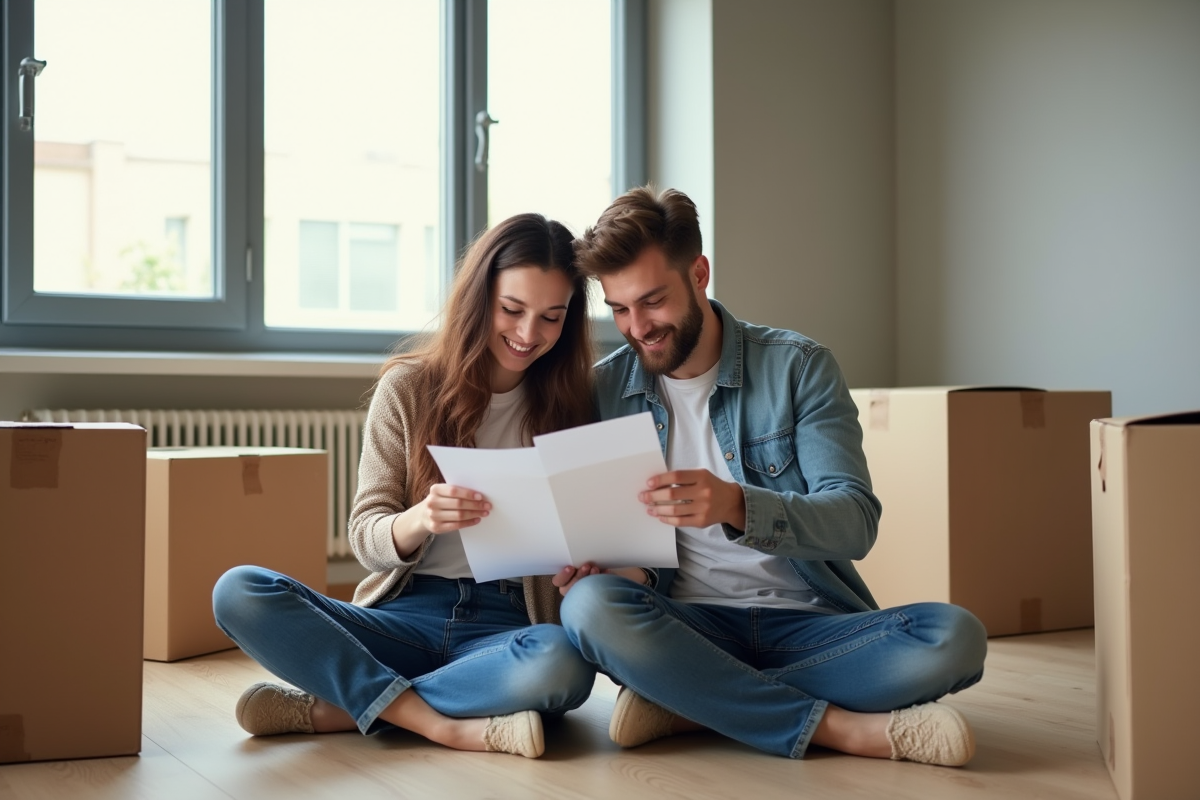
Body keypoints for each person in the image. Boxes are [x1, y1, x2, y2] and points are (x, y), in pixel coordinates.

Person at [554, 187, 988, 767]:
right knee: (588, 607)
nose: (638, 327)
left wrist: (737, 505)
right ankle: (840, 728)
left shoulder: (798, 367)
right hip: (687, 626)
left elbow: (855, 521)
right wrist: (599, 565)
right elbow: (619, 550)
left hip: (810, 626)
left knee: (955, 638)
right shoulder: (605, 390)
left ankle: (688, 701)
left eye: (653, 300)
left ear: (699, 273)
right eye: (621, 309)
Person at [213, 213, 601, 759]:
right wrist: (420, 518)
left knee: (563, 663)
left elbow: (588, 535)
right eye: (512, 310)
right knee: (239, 590)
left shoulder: (574, 409)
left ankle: (345, 708)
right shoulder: (408, 389)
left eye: (552, 317)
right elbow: (366, 536)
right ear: (479, 297)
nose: (528, 334)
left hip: (506, 627)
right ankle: (442, 722)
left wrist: (585, 561)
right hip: (401, 616)